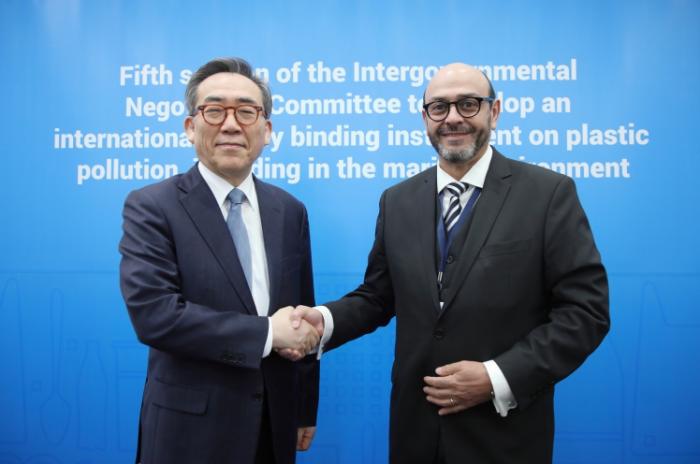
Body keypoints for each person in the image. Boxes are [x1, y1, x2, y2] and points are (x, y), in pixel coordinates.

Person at [292, 63, 610, 463]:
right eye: (439, 107)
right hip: (415, 436)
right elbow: (377, 297)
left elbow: (585, 312)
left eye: (468, 104)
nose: (453, 117)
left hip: (504, 439)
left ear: (494, 112)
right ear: (425, 118)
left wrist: (496, 377)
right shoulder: (397, 200)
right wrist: (324, 322)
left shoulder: (548, 194)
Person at [119, 57, 320, 464]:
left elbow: (302, 313)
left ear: (267, 131)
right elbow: (155, 315)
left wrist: (303, 408)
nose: (231, 125)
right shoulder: (152, 206)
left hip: (273, 426)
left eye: (246, 111)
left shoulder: (289, 210)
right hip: (189, 432)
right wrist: (268, 333)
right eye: (214, 110)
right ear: (190, 126)